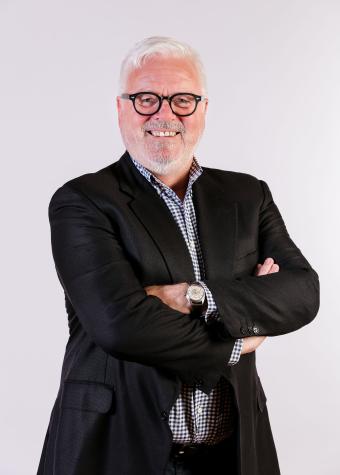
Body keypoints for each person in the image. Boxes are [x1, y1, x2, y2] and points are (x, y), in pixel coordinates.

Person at [36, 36, 320, 475]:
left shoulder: (248, 194)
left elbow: (302, 293)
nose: (165, 114)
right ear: (121, 110)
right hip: (115, 450)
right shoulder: (82, 202)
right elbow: (120, 326)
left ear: (203, 109)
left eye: (182, 99)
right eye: (146, 98)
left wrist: (195, 295)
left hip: (234, 454)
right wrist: (239, 338)